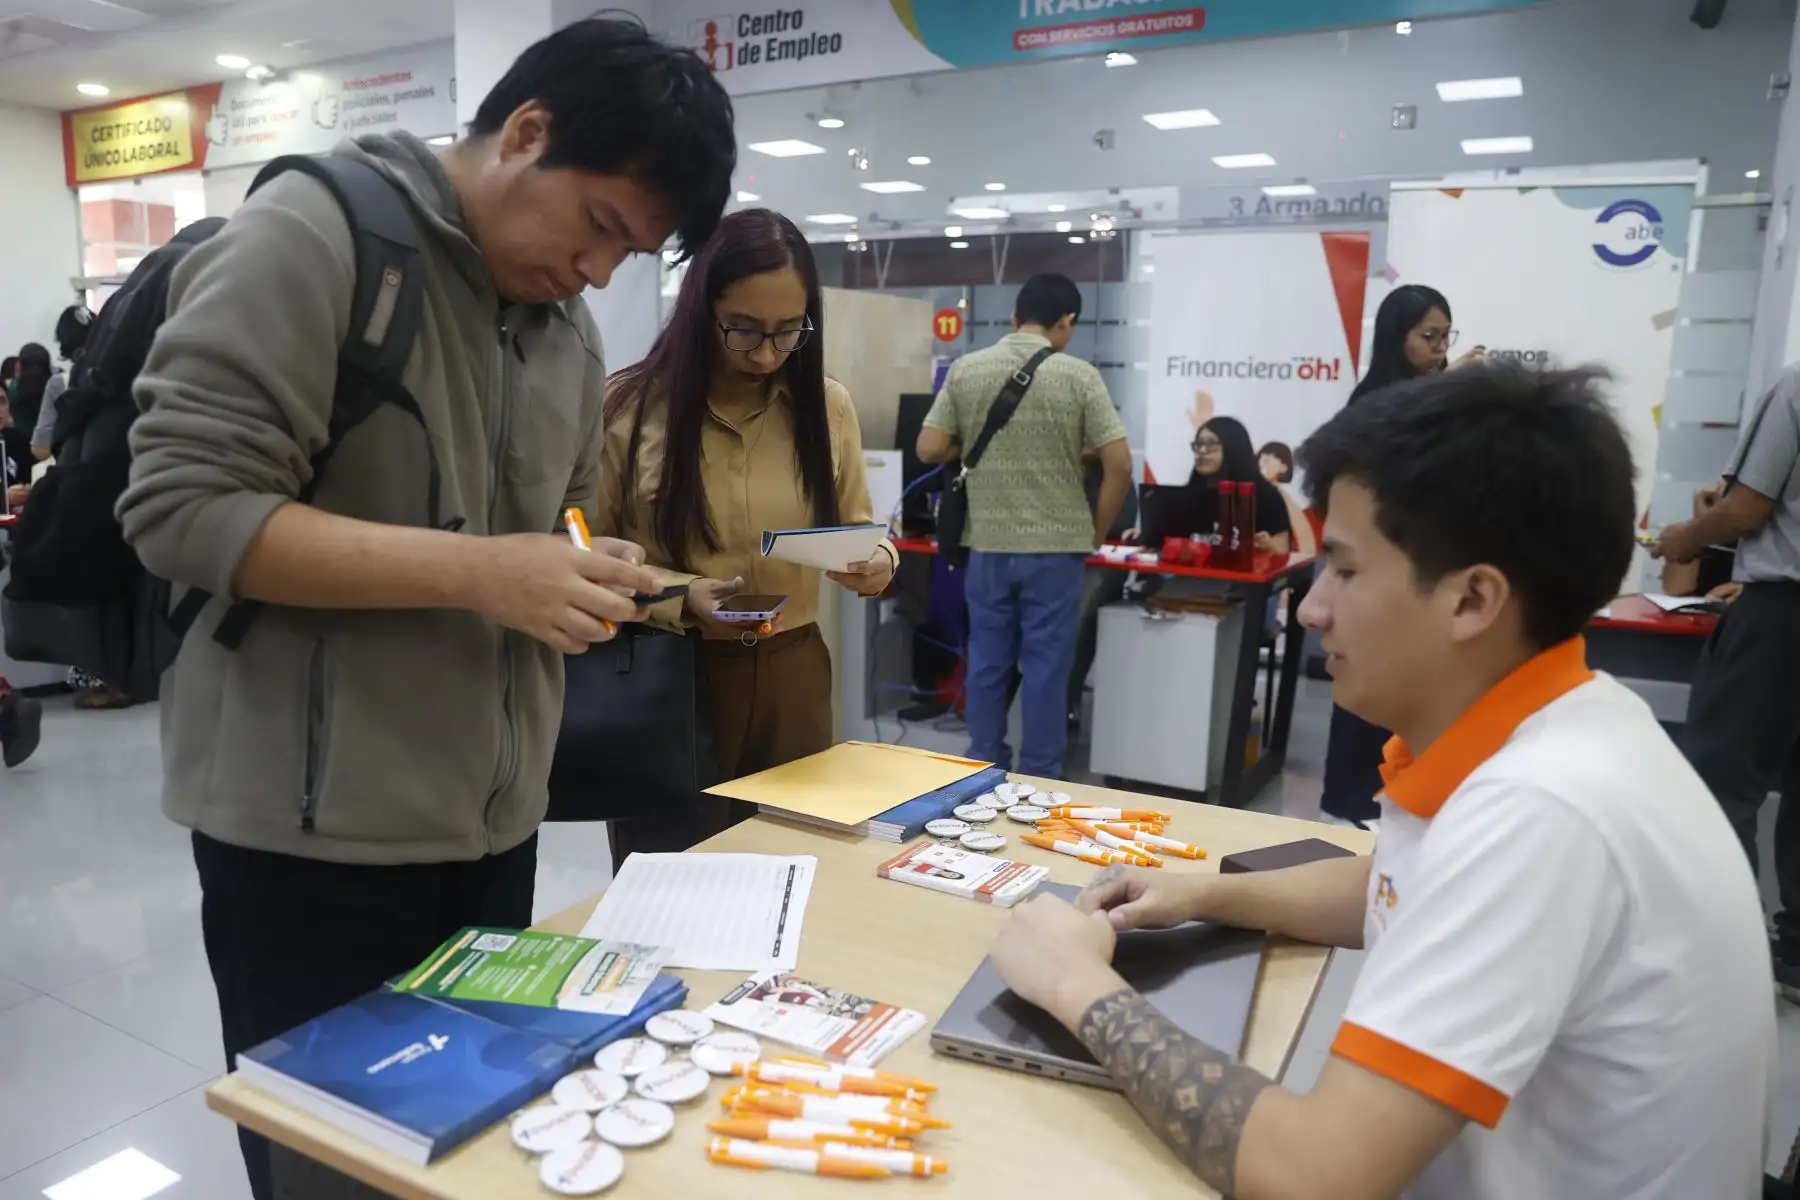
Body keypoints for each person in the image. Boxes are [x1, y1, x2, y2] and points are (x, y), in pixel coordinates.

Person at [115, 20, 734, 1199]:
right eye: (601, 225)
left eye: (630, 253)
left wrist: (593, 569)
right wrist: (482, 572)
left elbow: (551, 525)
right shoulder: (316, 237)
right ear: (527, 133)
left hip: (491, 827)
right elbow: (182, 509)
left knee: (464, 1158)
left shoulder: (566, 329)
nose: (601, 270)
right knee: (327, 1168)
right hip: (309, 838)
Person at [989, 365, 1772, 1199]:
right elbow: (1393, 882)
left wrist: (1080, 988)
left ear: (1473, 599)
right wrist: (1196, 893)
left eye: (1345, 570)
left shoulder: (1543, 813)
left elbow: (1316, 1174)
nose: (1311, 608)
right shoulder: (1563, 722)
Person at [598, 208, 894, 860]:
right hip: (670, 679)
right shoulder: (628, 408)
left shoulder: (826, 405)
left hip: (793, 677)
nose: (765, 353)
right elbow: (581, 554)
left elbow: (865, 529)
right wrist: (678, 595)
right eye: (744, 330)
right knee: (672, 881)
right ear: (703, 311)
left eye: (788, 332)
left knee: (801, 869)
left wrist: (879, 561)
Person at [915, 273, 1131, 779]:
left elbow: (928, 446)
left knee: (988, 665)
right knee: (1046, 670)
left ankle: (983, 772)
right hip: (1056, 550)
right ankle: (1038, 778)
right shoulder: (1079, 377)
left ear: (1014, 318)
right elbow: (1118, 464)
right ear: (1066, 322)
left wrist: (969, 449)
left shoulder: (967, 369)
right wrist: (1096, 532)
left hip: (986, 546)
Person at [1656, 362, 1800, 1002]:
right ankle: (1793, 955)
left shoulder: (1796, 386)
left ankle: (1723, 959)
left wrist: (1683, 538)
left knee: (1721, 785)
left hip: (1781, 622)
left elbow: (1746, 508)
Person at [1320, 284, 1478, 827]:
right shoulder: (1377, 400)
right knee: (1368, 684)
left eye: (1444, 336)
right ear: (1397, 338)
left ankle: (1401, 802)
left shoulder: (1436, 398)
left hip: (1426, 565)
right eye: (1427, 337)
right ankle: (1349, 806)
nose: (1438, 348)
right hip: (1376, 568)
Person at [1140, 416, 1291, 554]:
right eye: (1199, 444)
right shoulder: (1191, 492)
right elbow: (1176, 536)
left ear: (1233, 447)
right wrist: (1149, 534)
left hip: (1244, 577)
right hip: (1194, 575)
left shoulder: (1265, 494)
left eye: (1211, 444)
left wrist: (1268, 543)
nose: (1202, 451)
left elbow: (1283, 545)